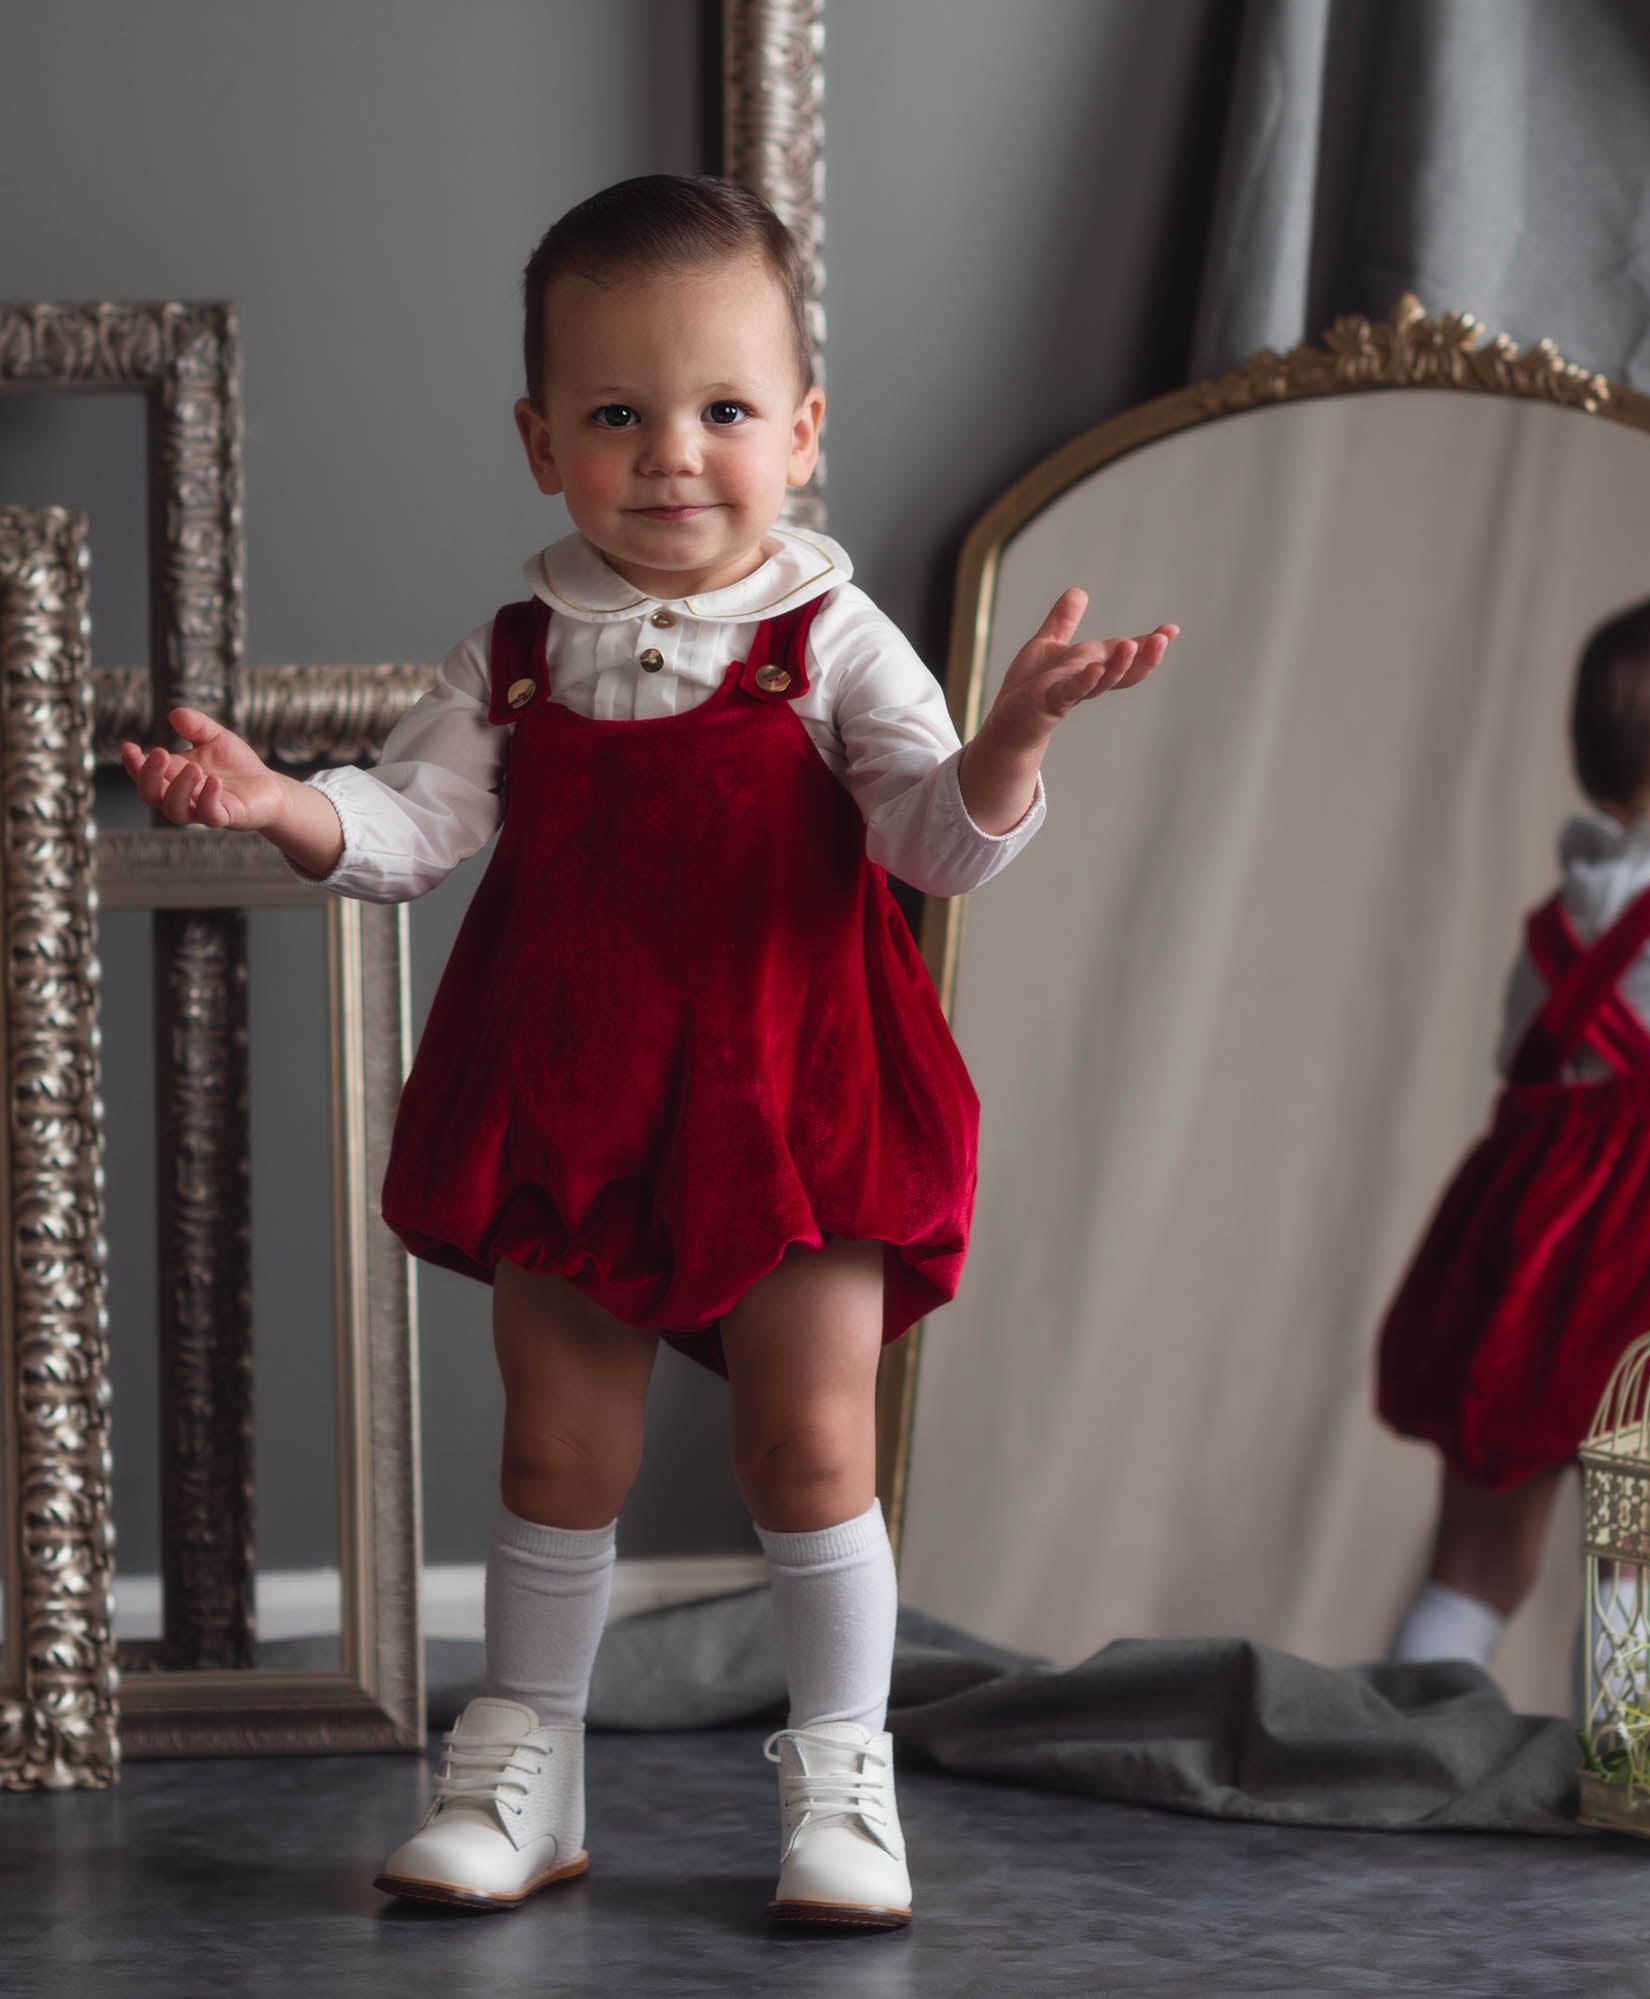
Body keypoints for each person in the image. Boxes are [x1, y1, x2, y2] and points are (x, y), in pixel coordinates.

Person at [118, 173, 1178, 1931]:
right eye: (618, 414)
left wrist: (1006, 743)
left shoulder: (831, 640)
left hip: (799, 1095)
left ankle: (845, 1765)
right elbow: (408, 823)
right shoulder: (518, 659)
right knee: (556, 1445)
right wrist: (284, 800)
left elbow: (940, 844)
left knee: (811, 1443)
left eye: (724, 410)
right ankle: (527, 1755)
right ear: (541, 442)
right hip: (575, 1087)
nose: (674, 453)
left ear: (803, 428)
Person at [1376, 586, 1650, 1671]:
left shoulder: (1555, 917)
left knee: (1471, 1559)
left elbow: (1525, 1065)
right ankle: (1622, 1785)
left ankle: (1398, 1744)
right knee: (1648, 1552)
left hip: (1523, 1247)